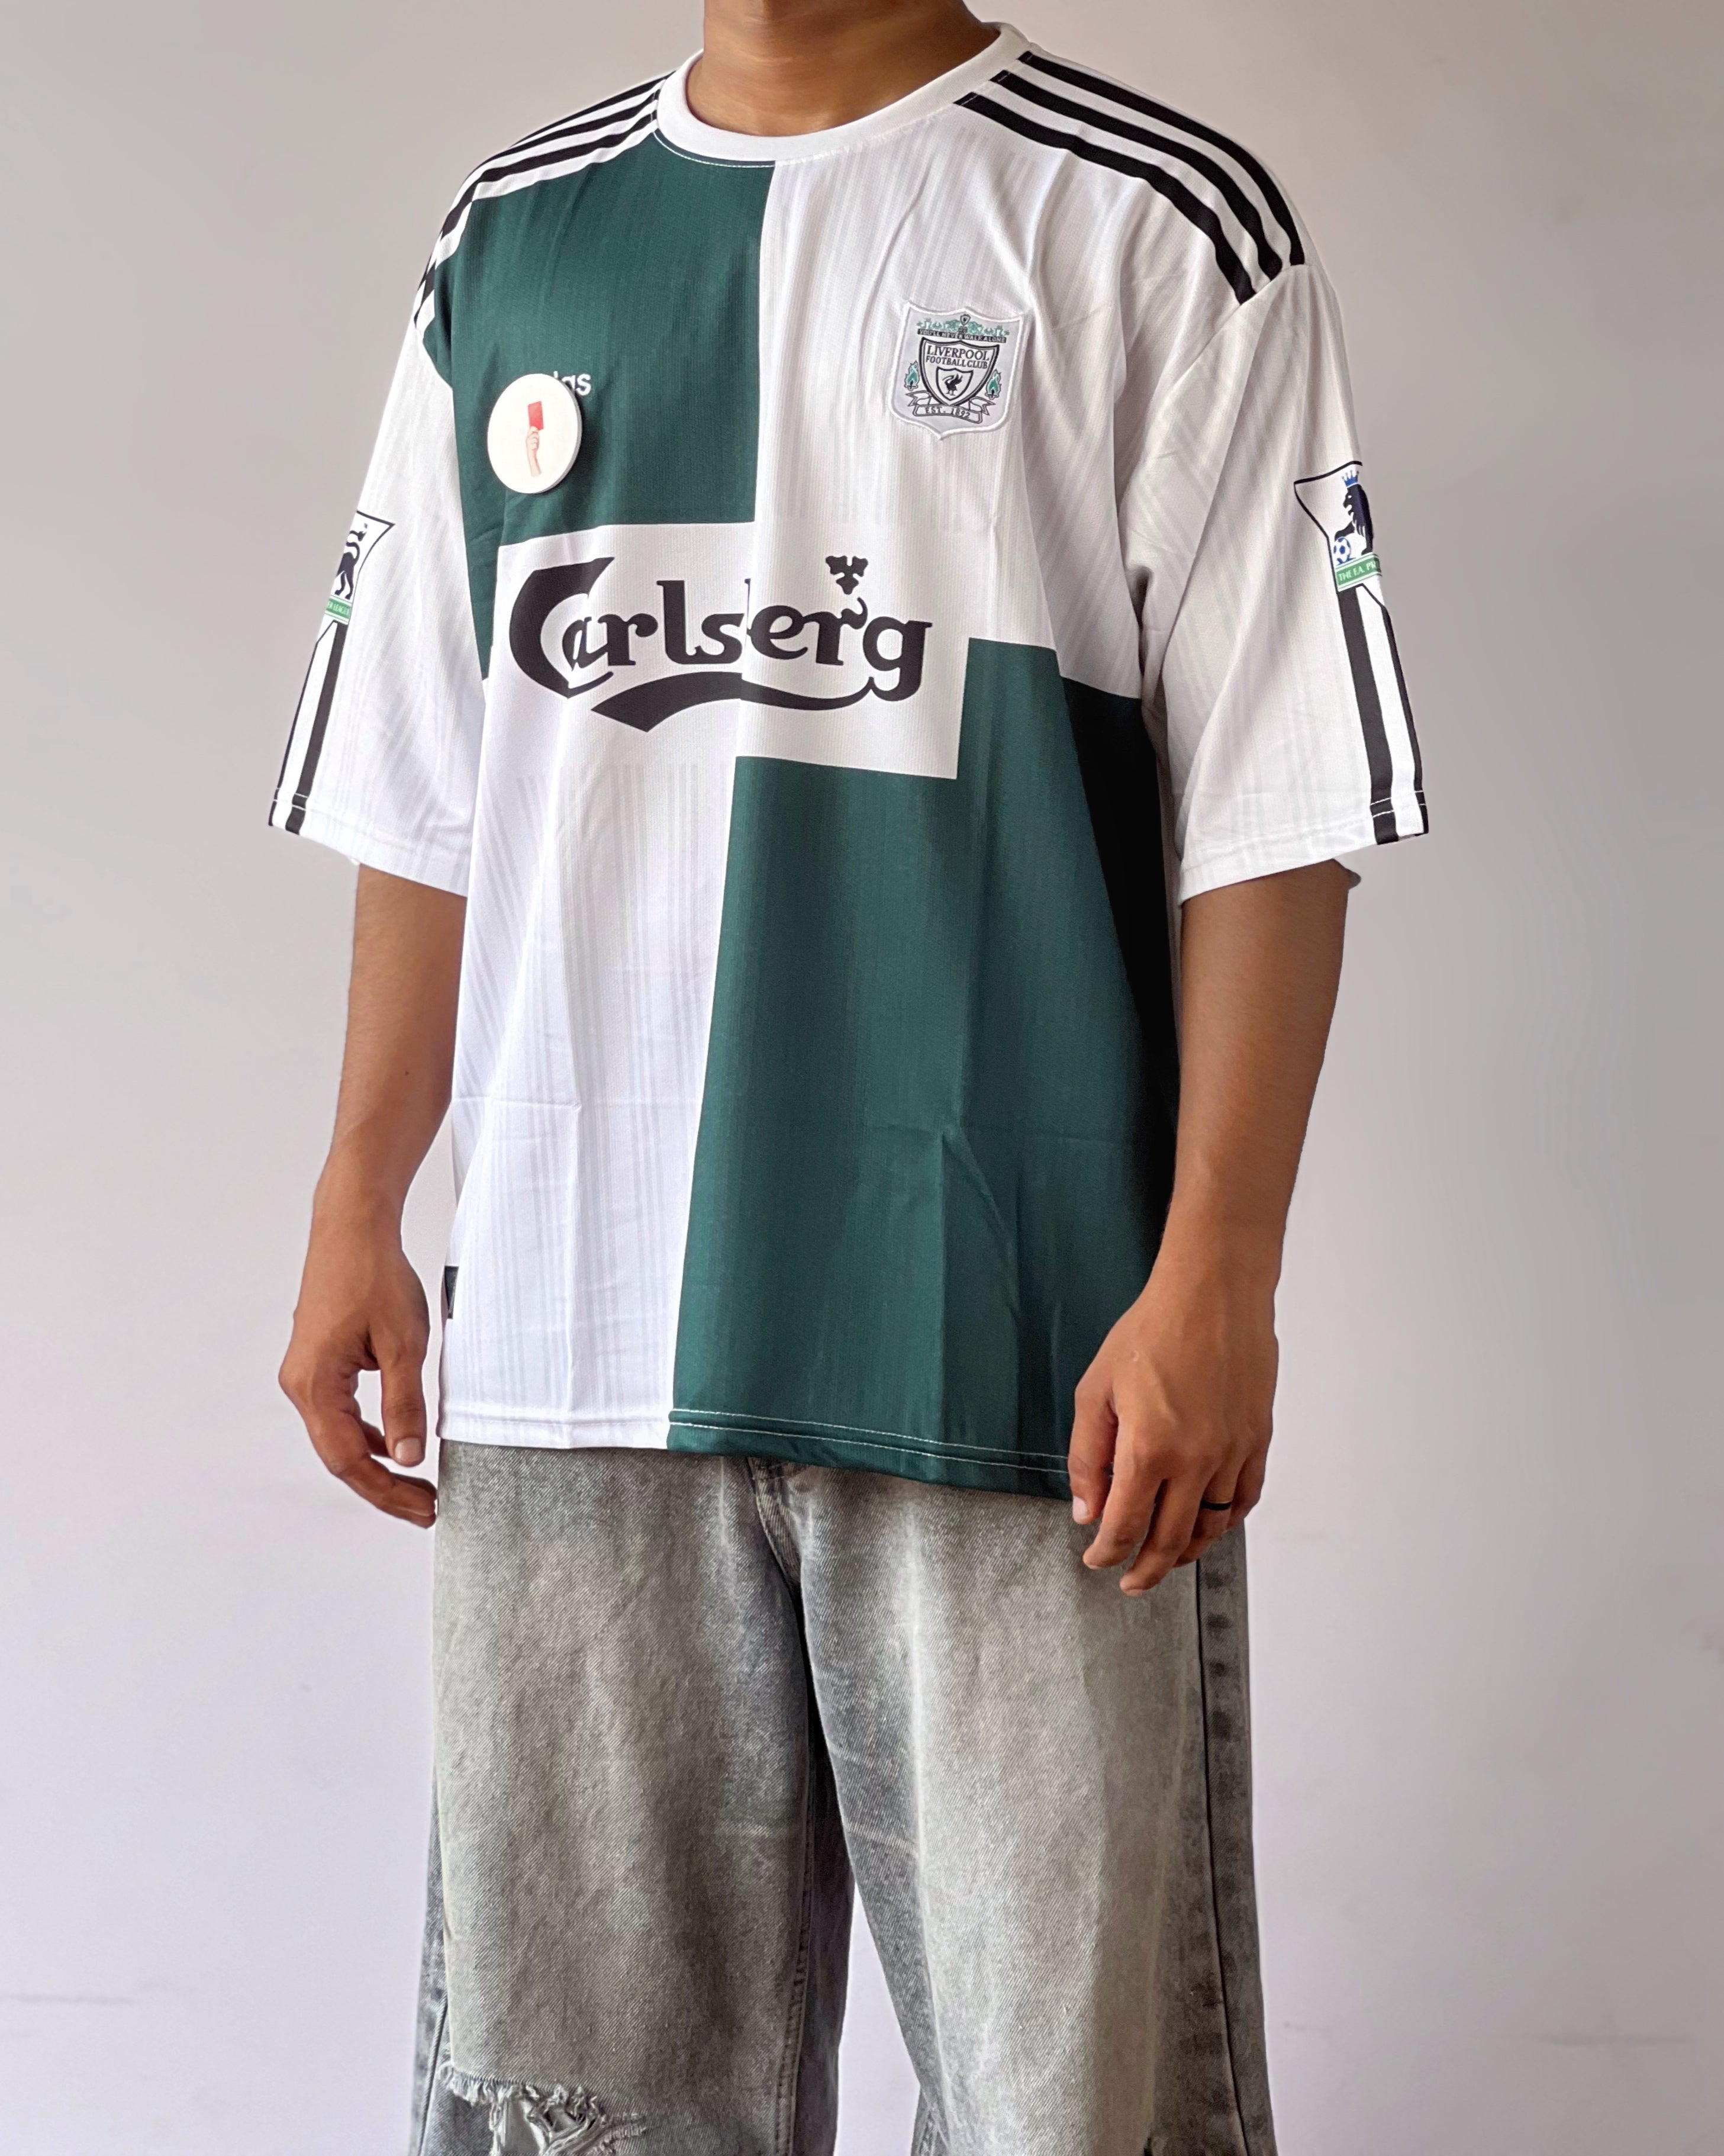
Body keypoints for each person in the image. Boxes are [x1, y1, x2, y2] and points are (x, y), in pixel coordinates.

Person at [272, 4, 1426, 2151]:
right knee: (578, 2109)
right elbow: (429, 781)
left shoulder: (1157, 221)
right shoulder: (513, 237)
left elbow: (1274, 804)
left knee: (1065, 2109)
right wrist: (360, 1194)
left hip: (1020, 1350)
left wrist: (1218, 1276)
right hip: (574, 1344)